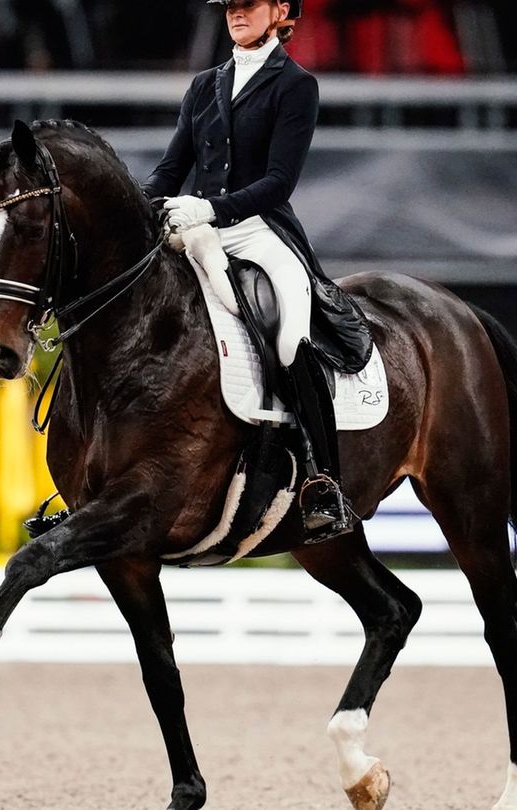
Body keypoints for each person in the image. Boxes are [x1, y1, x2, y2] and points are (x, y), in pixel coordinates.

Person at [143, 0, 371, 542]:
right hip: (198, 229)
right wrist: (139, 207)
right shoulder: (204, 85)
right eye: (231, 7)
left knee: (291, 338)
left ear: (281, 10)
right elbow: (172, 168)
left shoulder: (295, 86)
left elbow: (279, 181)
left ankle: (322, 481)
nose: (236, 14)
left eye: (249, 5)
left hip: (260, 230)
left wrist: (212, 208)